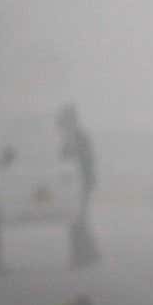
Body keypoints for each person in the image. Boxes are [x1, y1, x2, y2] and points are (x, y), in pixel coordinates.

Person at [57, 105, 101, 268]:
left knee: (77, 219)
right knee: (78, 219)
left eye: (63, 123)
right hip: (74, 185)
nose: (61, 128)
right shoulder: (72, 138)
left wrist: (86, 182)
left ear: (71, 121)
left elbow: (86, 162)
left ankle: (80, 256)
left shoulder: (80, 138)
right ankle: (89, 253)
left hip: (81, 184)